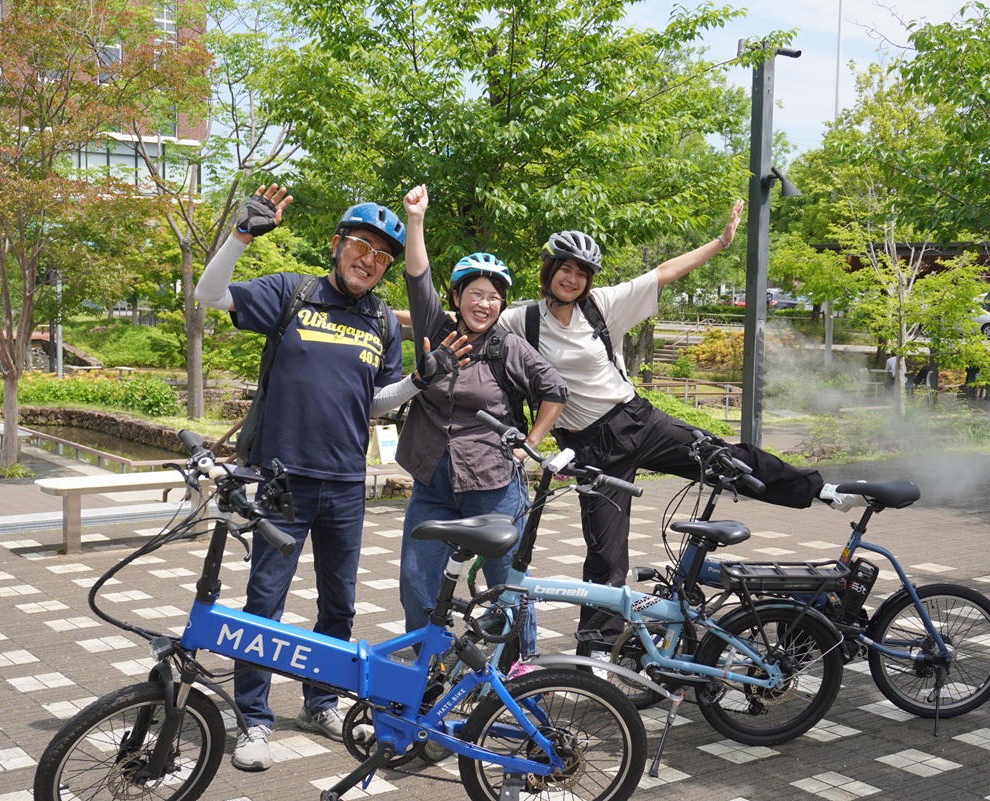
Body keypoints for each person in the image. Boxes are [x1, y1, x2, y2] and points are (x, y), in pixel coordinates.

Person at [195, 185, 467, 771]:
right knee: (263, 603)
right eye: (360, 246)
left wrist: (419, 381)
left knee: (339, 604)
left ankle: (320, 702)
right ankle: (254, 719)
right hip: (282, 481)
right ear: (337, 244)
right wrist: (241, 236)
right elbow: (208, 294)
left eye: (382, 255)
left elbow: (375, 402)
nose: (369, 259)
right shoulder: (292, 292)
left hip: (346, 483)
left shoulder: (381, 320)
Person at [495, 202, 860, 623]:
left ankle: (822, 490)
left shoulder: (602, 305)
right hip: (591, 449)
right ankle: (595, 646)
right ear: (549, 270)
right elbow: (470, 320)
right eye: (565, 269)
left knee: (725, 458)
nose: (572, 279)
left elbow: (664, 271)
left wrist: (721, 242)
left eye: (582, 272)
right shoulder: (521, 321)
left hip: (637, 421)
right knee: (604, 554)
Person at [396, 184, 568, 662]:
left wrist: (529, 444)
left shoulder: (509, 346)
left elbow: (555, 390)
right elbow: (417, 279)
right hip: (432, 482)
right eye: (475, 293)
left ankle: (522, 670)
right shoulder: (436, 330)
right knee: (417, 584)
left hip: (494, 484)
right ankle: (427, 667)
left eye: (493, 297)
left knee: (508, 587)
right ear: (457, 296)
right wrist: (415, 221)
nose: (484, 304)